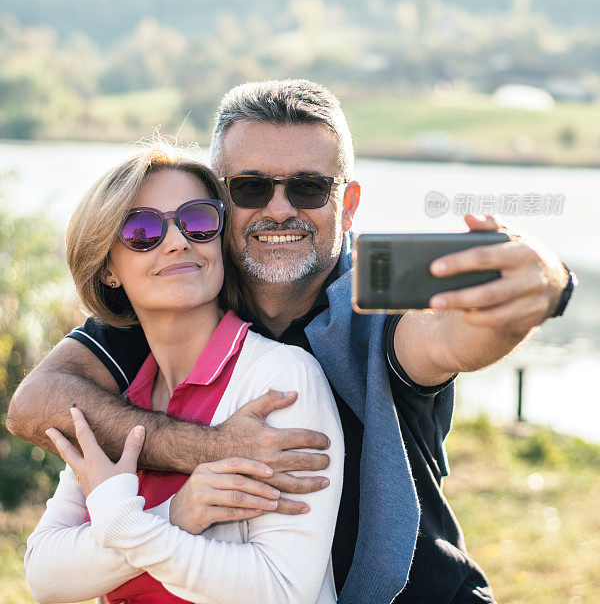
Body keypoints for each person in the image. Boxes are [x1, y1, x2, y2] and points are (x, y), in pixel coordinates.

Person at [9, 80, 575, 604]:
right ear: (221, 199)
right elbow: (36, 405)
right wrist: (210, 450)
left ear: (347, 205)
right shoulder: (175, 302)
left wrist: (536, 285)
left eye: (308, 187)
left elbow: (453, 338)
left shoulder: (373, 311)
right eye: (252, 186)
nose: (279, 208)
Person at [24, 145, 344, 604]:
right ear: (108, 268)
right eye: (142, 230)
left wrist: (128, 526)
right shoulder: (114, 399)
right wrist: (176, 514)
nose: (177, 242)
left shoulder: (280, 380)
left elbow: (281, 588)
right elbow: (46, 577)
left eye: (197, 220)